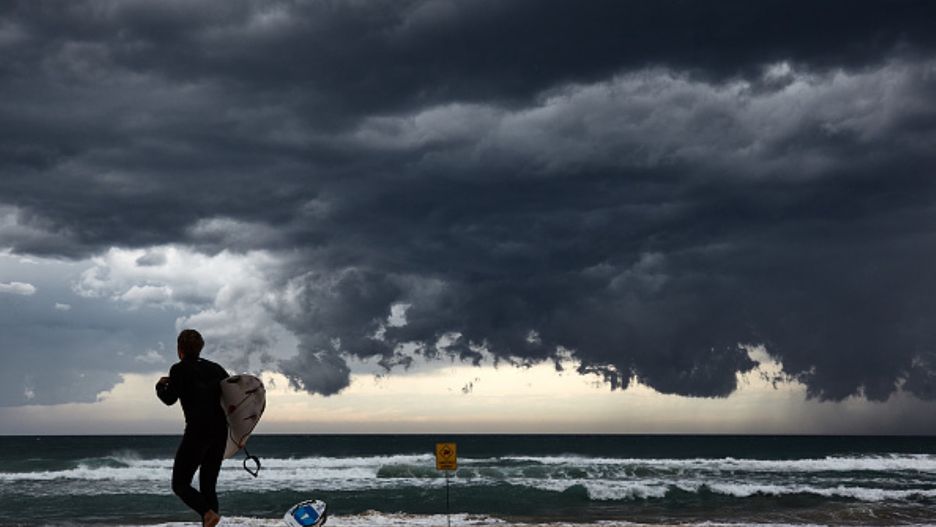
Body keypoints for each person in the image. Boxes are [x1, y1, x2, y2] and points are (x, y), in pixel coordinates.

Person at [156, 329, 229, 527]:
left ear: (179, 349)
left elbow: (169, 399)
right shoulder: (216, 369)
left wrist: (160, 386)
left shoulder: (178, 369)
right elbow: (231, 395)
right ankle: (210, 518)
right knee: (208, 486)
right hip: (220, 431)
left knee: (180, 484)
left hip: (198, 431)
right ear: (201, 347)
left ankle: (207, 514)